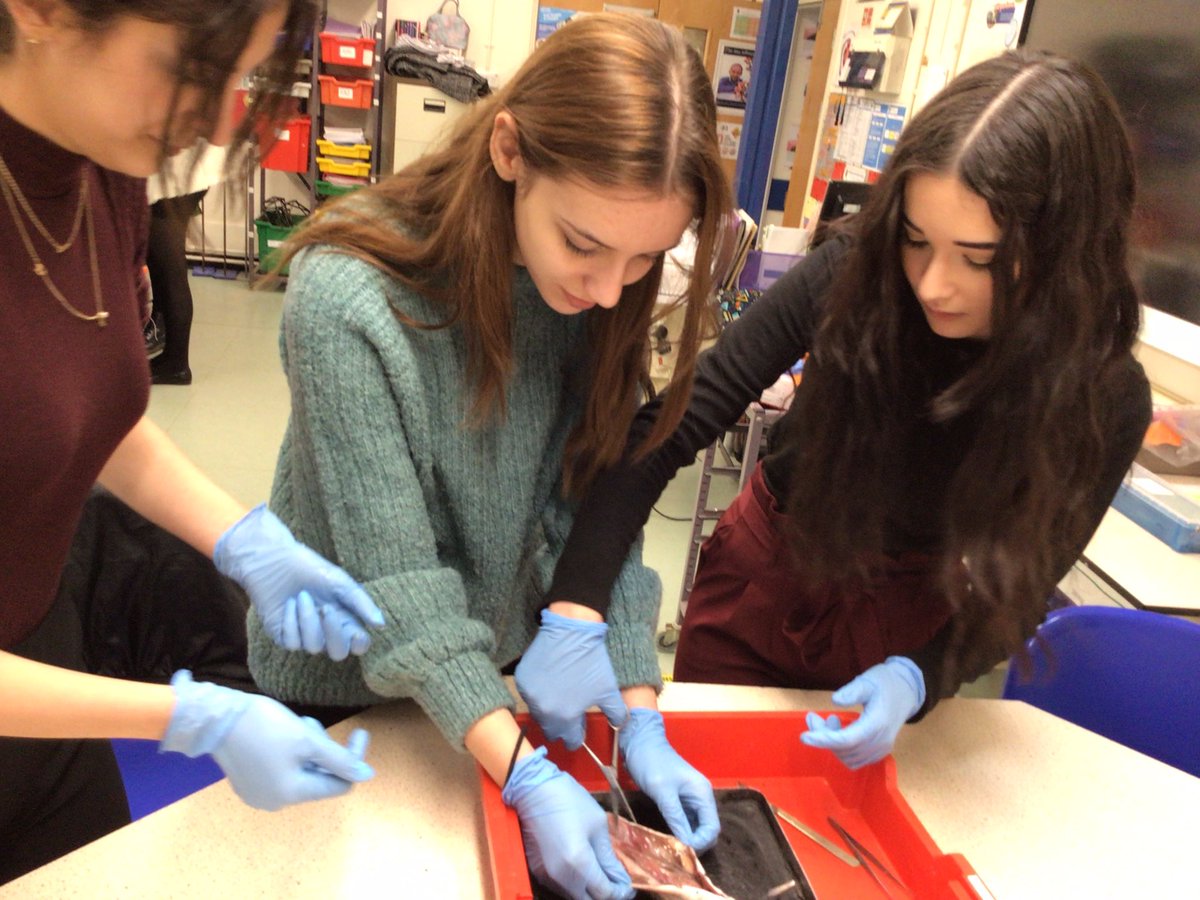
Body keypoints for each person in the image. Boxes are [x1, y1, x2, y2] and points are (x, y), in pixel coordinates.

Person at [534, 50, 1153, 771]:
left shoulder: (1102, 396)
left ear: (1064, 248)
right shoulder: (856, 272)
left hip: (903, 622)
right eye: (916, 241)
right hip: (765, 573)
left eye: (979, 258)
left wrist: (922, 673)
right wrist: (576, 603)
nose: (933, 285)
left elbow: (1025, 581)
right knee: (710, 787)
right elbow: (668, 430)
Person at [252, 14, 729, 900]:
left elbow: (598, 510)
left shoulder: (603, 291)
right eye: (583, 244)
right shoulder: (349, 297)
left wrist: (638, 708)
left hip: (486, 695)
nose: (606, 288)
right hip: (343, 699)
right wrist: (529, 778)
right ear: (510, 150)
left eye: (645, 258)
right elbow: (399, 588)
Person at [0, 0, 387, 883]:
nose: (219, 120)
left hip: (44, 685)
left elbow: (77, 414)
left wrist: (245, 538)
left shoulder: (99, 164)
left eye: (242, 76)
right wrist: (187, 719)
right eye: (194, 69)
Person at [145, 140, 226, 385]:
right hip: (184, 169)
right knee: (160, 259)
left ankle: (176, 364)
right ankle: (167, 349)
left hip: (180, 174)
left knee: (169, 265)